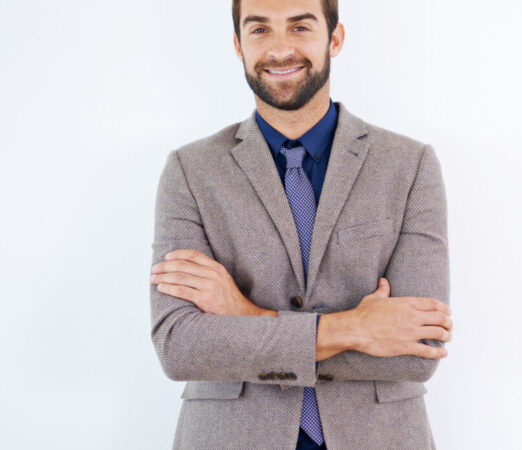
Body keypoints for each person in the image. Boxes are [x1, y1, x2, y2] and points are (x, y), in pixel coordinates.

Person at [149, 0, 452, 448]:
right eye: (259, 31)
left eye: (299, 26)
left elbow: (418, 349)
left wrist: (249, 317)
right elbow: (179, 345)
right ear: (238, 45)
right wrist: (357, 328)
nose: (279, 49)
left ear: (335, 38)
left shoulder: (410, 165)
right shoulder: (190, 170)